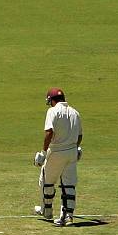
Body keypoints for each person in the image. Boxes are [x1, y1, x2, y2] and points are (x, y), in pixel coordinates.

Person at [34, 88, 82, 227]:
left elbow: (49, 132)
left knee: (47, 180)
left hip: (56, 152)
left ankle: (47, 210)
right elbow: (79, 135)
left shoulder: (52, 111)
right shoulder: (75, 112)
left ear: (52, 100)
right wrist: (76, 147)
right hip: (72, 152)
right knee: (69, 184)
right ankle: (68, 217)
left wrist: (43, 152)